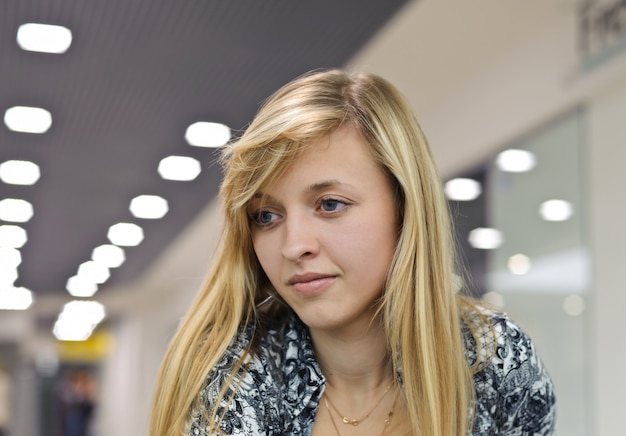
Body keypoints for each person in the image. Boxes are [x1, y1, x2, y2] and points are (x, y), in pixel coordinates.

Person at [150, 69, 556, 435]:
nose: (294, 247)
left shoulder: (495, 361)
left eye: (330, 204)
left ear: (404, 206)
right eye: (266, 216)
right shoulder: (228, 380)